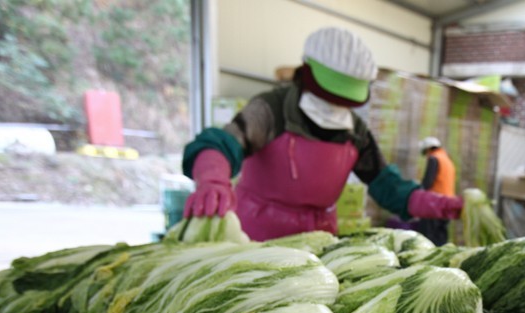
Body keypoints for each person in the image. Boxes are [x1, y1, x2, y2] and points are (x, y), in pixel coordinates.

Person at [181, 26, 463, 241]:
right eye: (331, 94)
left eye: (345, 99)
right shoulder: (272, 109)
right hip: (257, 237)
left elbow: (386, 184)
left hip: (318, 241)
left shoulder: (355, 131)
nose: (336, 106)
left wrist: (439, 205)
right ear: (306, 72)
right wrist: (213, 179)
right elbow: (222, 142)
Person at [415, 136, 456, 245]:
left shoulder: (434, 158)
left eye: (425, 152)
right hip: (447, 204)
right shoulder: (447, 160)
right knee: (441, 236)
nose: (426, 155)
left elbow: (428, 182)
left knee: (427, 236)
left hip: (434, 204)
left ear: (428, 149)